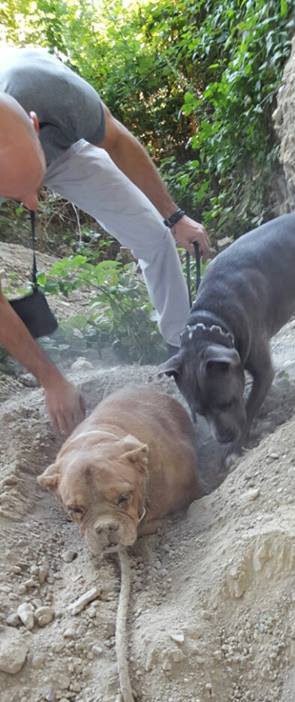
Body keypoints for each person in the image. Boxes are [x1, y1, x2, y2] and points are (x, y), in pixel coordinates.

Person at [0, 46, 211, 434]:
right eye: (16, 197)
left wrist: (175, 217)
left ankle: (182, 351)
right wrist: (51, 378)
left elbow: (115, 140)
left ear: (34, 123)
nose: (33, 203)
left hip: (60, 149)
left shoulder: (52, 92)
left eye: (34, 187)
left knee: (155, 237)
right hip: (34, 151)